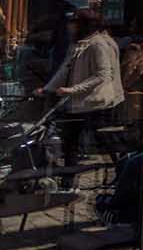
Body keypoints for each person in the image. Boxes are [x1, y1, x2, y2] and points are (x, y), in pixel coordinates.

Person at [42, 8, 124, 165]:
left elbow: (102, 75)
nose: (69, 26)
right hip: (80, 102)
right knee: (70, 140)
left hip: (94, 102)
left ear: (83, 25)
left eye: (74, 22)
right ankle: (68, 180)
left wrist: (72, 90)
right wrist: (48, 88)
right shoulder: (79, 44)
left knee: (102, 140)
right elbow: (64, 69)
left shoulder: (98, 44)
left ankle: (122, 167)